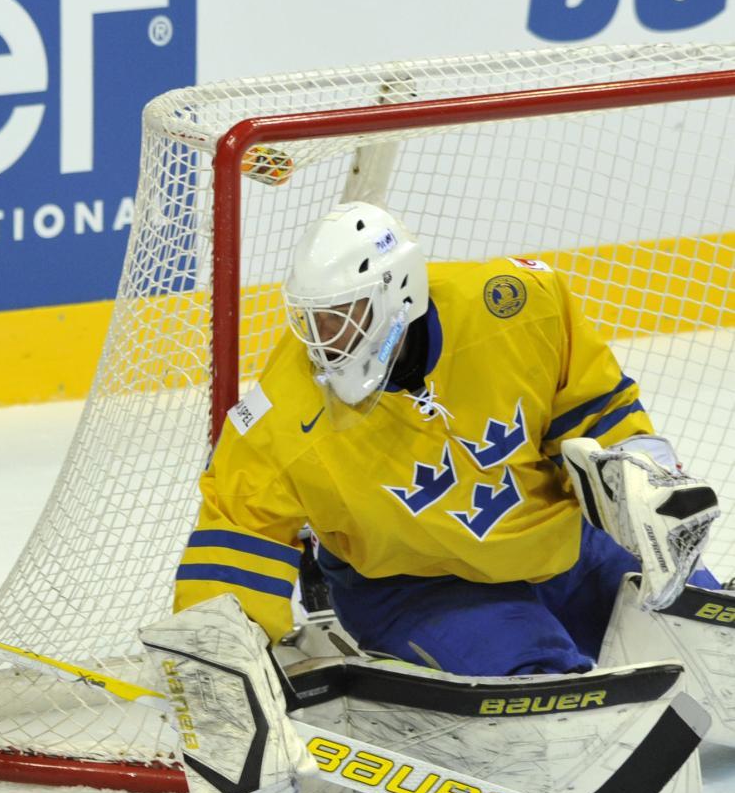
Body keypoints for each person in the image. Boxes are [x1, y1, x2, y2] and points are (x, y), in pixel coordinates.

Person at [173, 200, 720, 678]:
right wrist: (215, 658)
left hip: (560, 551)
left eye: (344, 315)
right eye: (315, 321)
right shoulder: (281, 413)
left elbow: (596, 410)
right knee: (531, 674)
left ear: (400, 291)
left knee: (707, 627)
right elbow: (238, 534)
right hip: (417, 588)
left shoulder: (513, 304)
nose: (325, 340)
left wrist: (645, 479)